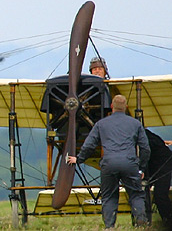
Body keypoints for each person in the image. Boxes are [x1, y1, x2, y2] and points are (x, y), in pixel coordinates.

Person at [68, 95, 150, 228]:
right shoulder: (136, 124)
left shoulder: (101, 124)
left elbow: (89, 145)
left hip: (109, 163)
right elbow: (145, 148)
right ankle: (141, 221)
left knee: (109, 196)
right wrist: (141, 168)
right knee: (136, 194)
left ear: (112, 106)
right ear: (126, 107)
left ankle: (109, 226)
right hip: (129, 163)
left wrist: (79, 158)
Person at [145, 129, 172, 228]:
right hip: (151, 163)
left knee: (160, 194)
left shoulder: (142, 135)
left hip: (162, 162)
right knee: (143, 191)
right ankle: (144, 221)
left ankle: (168, 220)